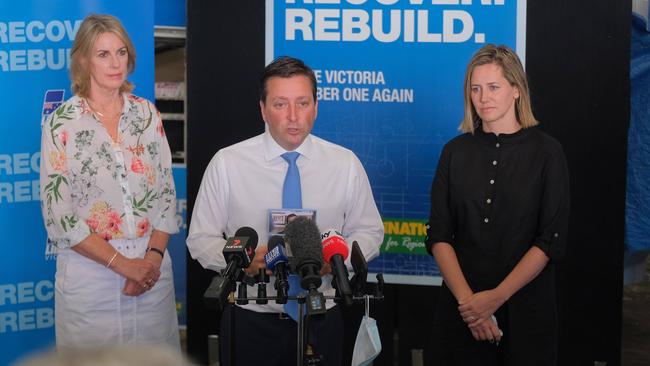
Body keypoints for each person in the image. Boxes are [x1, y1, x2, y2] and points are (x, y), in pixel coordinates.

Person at [186, 56, 384, 366]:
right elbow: (200, 238)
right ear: (263, 109)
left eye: (302, 103)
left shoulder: (345, 164)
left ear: (316, 107)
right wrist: (245, 261)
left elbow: (370, 231)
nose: (293, 116)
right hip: (250, 318)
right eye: (280, 104)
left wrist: (337, 259)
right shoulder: (228, 163)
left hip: (322, 315)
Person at [40, 14, 180, 349]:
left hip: (152, 271)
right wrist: (123, 265)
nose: (116, 63)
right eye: (103, 54)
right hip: (91, 278)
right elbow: (60, 217)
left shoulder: (147, 114)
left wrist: (150, 262)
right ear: (83, 59)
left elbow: (166, 194)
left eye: (121, 52)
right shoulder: (62, 123)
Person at [425, 44, 569, 366]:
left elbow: (549, 242)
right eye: (475, 89)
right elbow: (439, 235)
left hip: (525, 316)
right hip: (461, 312)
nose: (483, 97)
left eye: (493, 87)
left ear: (516, 90)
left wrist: (496, 298)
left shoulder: (548, 153)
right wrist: (471, 307)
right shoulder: (454, 152)